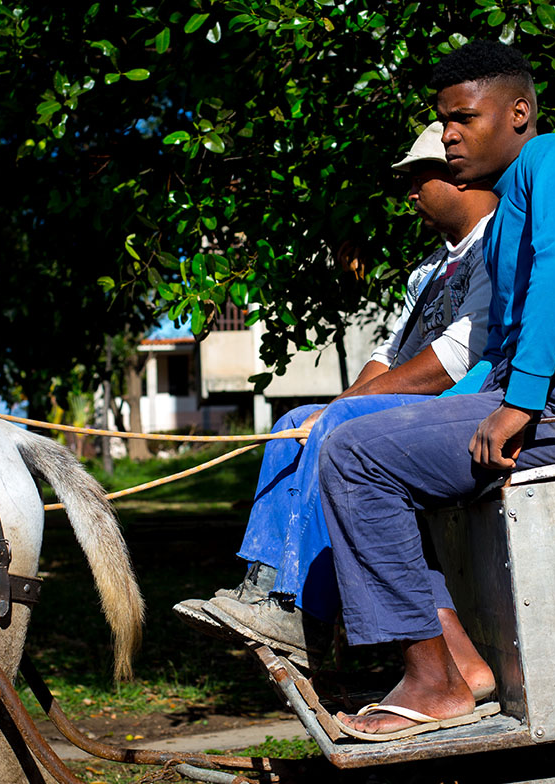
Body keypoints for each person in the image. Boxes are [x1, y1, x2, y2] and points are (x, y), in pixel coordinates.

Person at [320, 40, 555, 741]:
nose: (447, 135)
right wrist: (425, 416)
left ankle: (435, 679)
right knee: (359, 440)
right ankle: (449, 666)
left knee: (355, 458)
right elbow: (498, 349)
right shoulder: (503, 218)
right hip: (530, 387)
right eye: (443, 121)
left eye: (464, 118)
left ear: (519, 112)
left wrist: (522, 402)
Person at [174, 123, 498, 696]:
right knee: (291, 424)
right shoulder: (427, 271)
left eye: (417, 178)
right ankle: (267, 588)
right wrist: (329, 410)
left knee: (340, 425)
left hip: (466, 410)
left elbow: (456, 358)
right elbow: (386, 356)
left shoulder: (497, 245)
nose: (409, 193)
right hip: (409, 413)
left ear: (455, 175)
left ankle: (302, 617)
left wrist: (343, 415)